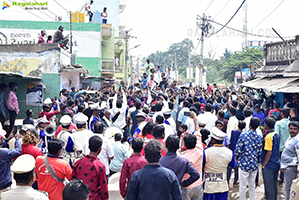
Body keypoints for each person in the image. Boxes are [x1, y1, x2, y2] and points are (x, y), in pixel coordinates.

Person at [202, 127, 236, 200]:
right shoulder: (229, 152)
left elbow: (202, 165)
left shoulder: (206, 152)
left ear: (213, 140)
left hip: (209, 185)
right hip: (222, 185)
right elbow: (233, 165)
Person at [71, 136, 109, 200]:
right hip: (94, 197)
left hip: (79, 197)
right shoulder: (100, 166)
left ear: (88, 147)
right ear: (100, 149)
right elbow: (103, 186)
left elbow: (72, 181)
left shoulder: (78, 162)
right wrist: (105, 198)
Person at [234, 117, 263, 200]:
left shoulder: (243, 135)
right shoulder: (259, 136)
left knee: (242, 186)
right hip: (254, 163)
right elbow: (259, 151)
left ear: (249, 124)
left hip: (244, 163)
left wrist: (236, 157)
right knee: (252, 185)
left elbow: (238, 149)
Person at [180, 111, 204, 200]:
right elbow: (198, 133)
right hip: (198, 184)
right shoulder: (199, 149)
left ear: (185, 145)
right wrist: (195, 120)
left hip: (186, 186)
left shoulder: (182, 156)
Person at [261, 117, 280, 200]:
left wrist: (264, 164)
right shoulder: (276, 134)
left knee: (269, 188)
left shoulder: (268, 137)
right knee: (274, 185)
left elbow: (269, 152)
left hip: (269, 164)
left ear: (266, 125)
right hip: (276, 163)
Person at [281, 121, 299, 200]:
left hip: (292, 166)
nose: (292, 130)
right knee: (287, 187)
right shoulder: (290, 137)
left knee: (289, 188)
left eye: (295, 129)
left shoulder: (297, 141)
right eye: (291, 128)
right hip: (287, 166)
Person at [227, 121, 246, 187]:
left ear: (237, 125)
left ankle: (227, 180)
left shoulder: (233, 132)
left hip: (231, 151)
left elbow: (229, 141)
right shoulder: (243, 134)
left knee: (229, 166)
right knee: (236, 167)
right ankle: (235, 181)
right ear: (244, 127)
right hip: (238, 152)